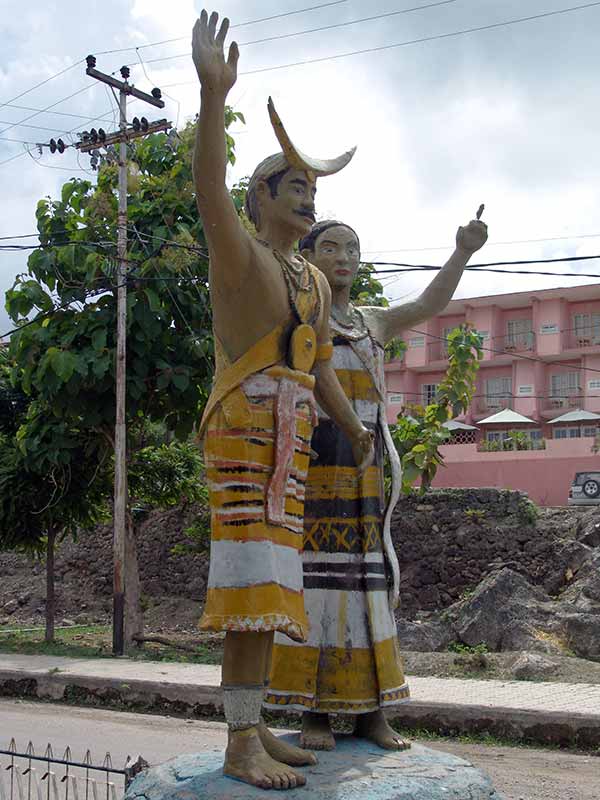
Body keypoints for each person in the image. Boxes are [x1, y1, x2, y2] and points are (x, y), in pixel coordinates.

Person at [191, 11, 374, 791]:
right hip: (244, 435)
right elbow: (206, 190)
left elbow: (319, 364)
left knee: (273, 590)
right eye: (294, 187)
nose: (306, 200)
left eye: (312, 190)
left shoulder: (309, 279)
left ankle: (257, 723)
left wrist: (350, 424)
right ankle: (239, 740)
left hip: (291, 440)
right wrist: (211, 100)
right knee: (246, 586)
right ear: (262, 196)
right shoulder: (243, 259)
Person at [266, 217, 488, 750]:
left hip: (368, 468)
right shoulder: (294, 318)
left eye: (352, 249)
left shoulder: (373, 322)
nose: (342, 257)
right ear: (308, 256)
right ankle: (314, 712)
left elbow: (429, 303)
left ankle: (372, 713)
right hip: (313, 462)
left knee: (371, 583)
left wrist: (460, 253)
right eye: (330, 247)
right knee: (315, 582)